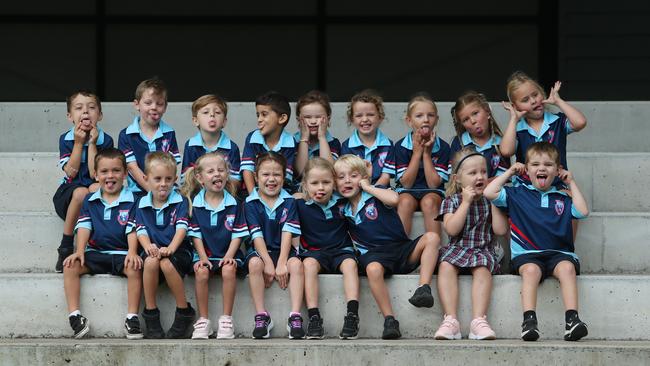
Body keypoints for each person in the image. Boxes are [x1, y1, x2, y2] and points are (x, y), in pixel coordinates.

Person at [484, 142, 590, 342]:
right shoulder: (517, 194)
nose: (542, 168)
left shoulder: (563, 197)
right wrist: (510, 172)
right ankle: (529, 321)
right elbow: (489, 192)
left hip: (560, 253)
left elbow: (583, 212)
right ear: (526, 169)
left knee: (567, 269)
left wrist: (571, 183)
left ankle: (572, 320)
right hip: (527, 254)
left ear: (558, 171)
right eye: (535, 164)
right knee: (531, 272)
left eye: (548, 165)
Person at [334, 154, 440, 339]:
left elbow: (394, 200)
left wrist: (369, 186)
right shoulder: (341, 208)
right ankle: (390, 320)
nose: (347, 181)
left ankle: (423, 288)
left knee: (432, 237)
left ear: (364, 177)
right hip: (374, 256)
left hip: (400, 249)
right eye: (341, 177)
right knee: (373, 269)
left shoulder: (376, 192)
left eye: (353, 175)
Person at [62, 148, 142, 339]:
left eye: (116, 170)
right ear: (96, 175)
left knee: (135, 268)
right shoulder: (90, 200)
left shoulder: (134, 200)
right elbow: (84, 226)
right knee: (71, 265)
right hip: (96, 252)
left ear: (124, 174)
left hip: (122, 253)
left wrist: (132, 251)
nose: (110, 176)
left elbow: (133, 229)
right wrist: (79, 251)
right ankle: (75, 316)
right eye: (104, 171)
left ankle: (132, 317)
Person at [434, 148, 508, 340]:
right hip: (457, 249)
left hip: (482, 250)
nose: (480, 176)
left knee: (483, 269)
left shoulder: (489, 200)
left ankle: (478, 321)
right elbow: (451, 229)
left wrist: (493, 200)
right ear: (458, 179)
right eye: (473, 173)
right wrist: (465, 203)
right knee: (445, 265)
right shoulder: (452, 201)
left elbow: (500, 231)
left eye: (483, 172)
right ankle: (451, 321)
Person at [182, 152, 249, 340]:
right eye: (210, 171)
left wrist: (229, 255)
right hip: (205, 253)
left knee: (228, 270)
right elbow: (195, 234)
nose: (217, 174)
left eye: (221, 170)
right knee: (202, 272)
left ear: (227, 174)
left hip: (229, 253)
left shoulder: (235, 203)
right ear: (200, 178)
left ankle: (226, 320)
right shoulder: (193, 204)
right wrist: (202, 257)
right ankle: (203, 320)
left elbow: (237, 234)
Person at [295, 158, 360, 340]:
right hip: (315, 252)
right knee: (308, 265)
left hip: (341, 250)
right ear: (305, 185)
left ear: (334, 183)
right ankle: (314, 317)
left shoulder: (343, 201)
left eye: (326, 182)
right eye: (314, 183)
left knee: (350, 265)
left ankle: (352, 316)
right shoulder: (299, 204)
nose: (320, 188)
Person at [134, 152, 195, 339]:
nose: (163, 183)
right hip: (153, 249)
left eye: (168, 179)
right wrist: (147, 246)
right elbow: (141, 230)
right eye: (157, 179)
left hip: (178, 250)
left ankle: (183, 310)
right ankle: (151, 314)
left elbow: (181, 229)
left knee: (166, 263)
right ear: (146, 179)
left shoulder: (180, 202)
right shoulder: (142, 203)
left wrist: (171, 248)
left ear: (175, 179)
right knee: (152, 262)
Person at [244, 152, 304, 339]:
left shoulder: (289, 201)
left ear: (284, 176)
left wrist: (282, 262)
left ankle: (295, 317)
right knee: (254, 264)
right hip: (261, 251)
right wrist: (269, 264)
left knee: (297, 265)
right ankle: (262, 316)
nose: (271, 179)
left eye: (277, 174)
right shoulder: (249, 202)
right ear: (256, 177)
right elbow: (256, 235)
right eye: (266, 174)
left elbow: (288, 232)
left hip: (283, 250)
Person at [54, 90, 114, 272]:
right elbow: (71, 173)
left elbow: (95, 174)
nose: (86, 112)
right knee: (81, 192)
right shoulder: (66, 139)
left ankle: (98, 243)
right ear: (70, 116)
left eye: (92, 108)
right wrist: (79, 143)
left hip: (94, 185)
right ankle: (65, 246)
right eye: (79, 108)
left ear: (100, 115)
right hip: (69, 192)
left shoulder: (106, 140)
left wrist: (93, 144)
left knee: (98, 189)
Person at [394, 93, 450, 236]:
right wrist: (417, 153)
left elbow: (433, 185)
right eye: (419, 116)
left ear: (436, 120)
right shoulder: (401, 146)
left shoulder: (443, 147)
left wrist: (426, 154)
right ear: (409, 120)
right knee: (404, 202)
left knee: (429, 202)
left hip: (433, 192)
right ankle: (401, 250)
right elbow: (406, 184)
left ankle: (434, 248)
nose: (425, 120)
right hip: (408, 191)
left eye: (430, 115)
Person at [118, 78, 180, 196]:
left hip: (165, 191)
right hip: (137, 191)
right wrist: (152, 192)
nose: (154, 107)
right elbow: (132, 168)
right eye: (148, 103)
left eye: (159, 104)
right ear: (137, 105)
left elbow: (172, 166)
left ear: (165, 107)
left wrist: (162, 191)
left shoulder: (169, 133)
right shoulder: (126, 134)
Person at [181, 94, 241, 193]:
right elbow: (186, 178)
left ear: (224, 122)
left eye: (217, 112)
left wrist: (216, 187)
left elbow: (236, 180)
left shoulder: (232, 147)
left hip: (225, 195)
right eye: (205, 112)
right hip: (198, 195)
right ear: (195, 120)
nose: (212, 115)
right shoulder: (191, 145)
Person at [241, 91, 296, 194]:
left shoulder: (289, 142)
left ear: (282, 118)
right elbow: (247, 170)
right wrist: (254, 197)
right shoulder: (253, 138)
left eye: (264, 115)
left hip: (280, 192)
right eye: (258, 115)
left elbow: (285, 177)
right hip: (253, 190)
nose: (259, 120)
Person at [449, 91, 510, 179]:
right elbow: (454, 177)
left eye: (475, 113)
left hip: (493, 191)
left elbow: (503, 178)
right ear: (462, 125)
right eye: (466, 119)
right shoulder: (459, 142)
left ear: (487, 112)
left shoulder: (501, 143)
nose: (473, 121)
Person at [340, 90, 395, 185]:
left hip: (380, 193)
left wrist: (371, 194)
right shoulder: (347, 146)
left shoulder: (388, 145)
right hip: (355, 193)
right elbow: (347, 176)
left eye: (370, 114)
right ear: (352, 119)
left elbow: (386, 176)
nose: (365, 119)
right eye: (359, 115)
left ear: (380, 117)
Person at [293, 90, 341, 182]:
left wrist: (322, 138)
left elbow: (329, 171)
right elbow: (301, 172)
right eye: (307, 117)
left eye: (318, 117)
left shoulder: (333, 143)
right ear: (299, 120)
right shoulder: (292, 141)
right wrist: (304, 138)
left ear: (328, 119)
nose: (313, 121)